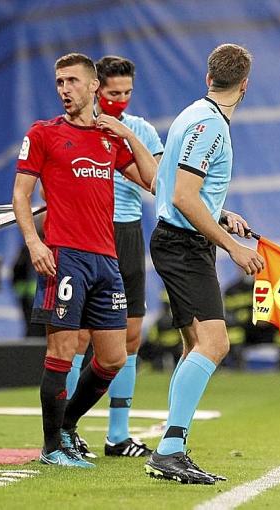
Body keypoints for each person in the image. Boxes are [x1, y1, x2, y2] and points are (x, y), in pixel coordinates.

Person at [13, 52, 156, 468]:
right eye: (59, 82)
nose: (64, 90)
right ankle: (51, 447)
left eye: (72, 81)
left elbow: (152, 181)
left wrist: (129, 138)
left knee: (112, 357)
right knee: (61, 351)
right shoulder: (43, 134)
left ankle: (67, 426)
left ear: (93, 86)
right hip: (63, 256)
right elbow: (21, 195)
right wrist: (34, 244)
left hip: (106, 260)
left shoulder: (111, 138)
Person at [144, 44, 264, 484]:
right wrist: (233, 246)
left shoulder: (191, 113)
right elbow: (181, 196)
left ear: (208, 75)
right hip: (183, 244)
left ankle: (173, 448)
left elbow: (170, 184)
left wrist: (220, 212)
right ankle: (169, 450)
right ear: (245, 85)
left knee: (196, 346)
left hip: (180, 239)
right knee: (215, 344)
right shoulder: (212, 125)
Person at [65, 56, 164, 459]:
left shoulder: (137, 129)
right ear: (95, 89)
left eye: (127, 93)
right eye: (112, 93)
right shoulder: (75, 127)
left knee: (131, 335)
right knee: (81, 336)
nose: (120, 99)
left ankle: (117, 435)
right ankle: (65, 427)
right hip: (89, 232)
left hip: (126, 233)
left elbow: (157, 181)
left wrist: (124, 132)